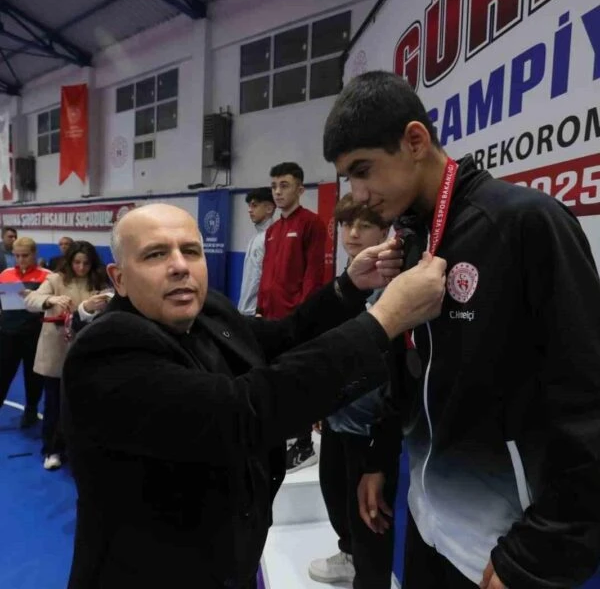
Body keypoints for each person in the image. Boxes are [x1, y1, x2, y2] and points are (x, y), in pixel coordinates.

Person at [61, 203, 446, 589]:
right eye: (156, 254)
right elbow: (242, 412)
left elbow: (284, 338)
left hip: (227, 563)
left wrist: (349, 287)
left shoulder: (207, 310)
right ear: (119, 278)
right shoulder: (106, 352)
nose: (179, 266)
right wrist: (384, 322)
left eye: (190, 251)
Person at [323, 70, 600, 589]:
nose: (358, 194)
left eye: (364, 170)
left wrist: (544, 549)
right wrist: (380, 458)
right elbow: (407, 367)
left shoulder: (523, 223)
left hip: (507, 548)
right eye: (348, 178)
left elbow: (587, 398)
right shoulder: (412, 242)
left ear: (415, 141)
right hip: (428, 525)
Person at [309, 193, 397, 589]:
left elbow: (394, 369)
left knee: (371, 518)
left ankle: (370, 578)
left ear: (385, 230)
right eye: (347, 224)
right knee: (337, 499)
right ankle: (349, 557)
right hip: (337, 417)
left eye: (364, 225)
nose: (354, 233)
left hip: (370, 426)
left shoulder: (394, 285)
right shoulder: (348, 281)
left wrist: (381, 439)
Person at [257, 161, 326, 472]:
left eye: (284, 185)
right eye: (274, 186)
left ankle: (303, 444)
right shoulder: (272, 231)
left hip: (295, 320)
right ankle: (286, 435)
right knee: (276, 379)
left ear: (300, 189)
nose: (277, 191)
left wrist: (305, 316)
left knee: (297, 380)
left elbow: (313, 274)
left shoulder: (311, 224)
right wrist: (260, 308)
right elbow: (266, 277)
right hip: (270, 319)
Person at [24, 241, 112, 470]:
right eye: (77, 262)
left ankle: (78, 449)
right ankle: (51, 450)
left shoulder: (99, 282)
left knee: (82, 404)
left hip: (86, 352)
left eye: (86, 263)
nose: (81, 267)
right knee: (53, 404)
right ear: (69, 261)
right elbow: (30, 300)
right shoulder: (55, 279)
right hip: (56, 351)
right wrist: (49, 300)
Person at [0, 237, 49, 427]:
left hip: (34, 335)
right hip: (7, 334)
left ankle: (30, 410)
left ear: (34, 254)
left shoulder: (47, 276)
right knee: (3, 373)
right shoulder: (5, 274)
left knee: (33, 375)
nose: (21, 260)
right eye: (17, 256)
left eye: (25, 256)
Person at [238, 187, 275, 316]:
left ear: (269, 208)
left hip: (258, 313)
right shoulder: (256, 238)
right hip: (245, 310)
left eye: (254, 205)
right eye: (249, 206)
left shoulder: (273, 238)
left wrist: (260, 310)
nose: (249, 210)